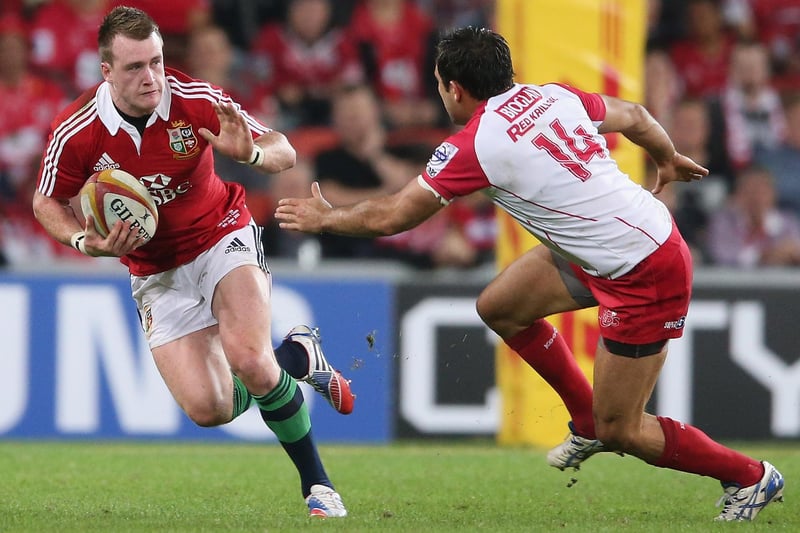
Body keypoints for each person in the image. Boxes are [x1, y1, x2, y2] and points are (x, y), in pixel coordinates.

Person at [276, 26, 786, 522]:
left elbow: (393, 217)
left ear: (455, 89)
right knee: (500, 308)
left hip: (644, 271)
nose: (440, 95)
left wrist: (327, 219)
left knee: (622, 429)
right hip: (611, 246)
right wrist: (665, 157)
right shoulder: (552, 96)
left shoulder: (477, 144)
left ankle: (749, 476)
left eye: (438, 85)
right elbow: (634, 114)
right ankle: (582, 419)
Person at [32, 6, 353, 518]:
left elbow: (283, 150)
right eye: (135, 67)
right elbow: (45, 201)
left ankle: (318, 485)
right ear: (106, 71)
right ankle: (297, 357)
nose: (151, 77)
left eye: (156, 62)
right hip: (154, 271)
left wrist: (248, 155)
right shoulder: (78, 130)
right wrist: (83, 242)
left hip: (219, 235)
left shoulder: (193, 98)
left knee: (249, 358)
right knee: (209, 409)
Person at [707, 165, 800, 267]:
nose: (756, 198)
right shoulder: (723, 221)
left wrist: (790, 255)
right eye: (750, 191)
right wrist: (762, 257)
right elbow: (720, 255)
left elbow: (795, 251)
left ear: (773, 195)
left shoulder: (788, 223)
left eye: (762, 192)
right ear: (738, 194)